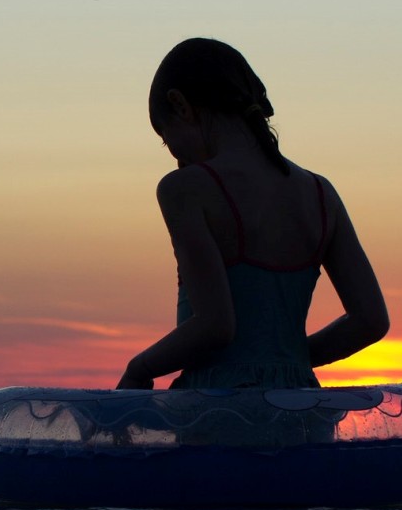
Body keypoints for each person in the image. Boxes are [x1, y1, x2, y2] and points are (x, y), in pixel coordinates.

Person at [118, 38, 388, 390]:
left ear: (180, 105)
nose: (175, 156)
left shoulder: (185, 189)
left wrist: (139, 368)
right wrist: (289, 359)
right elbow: (370, 321)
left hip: (218, 414)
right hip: (301, 407)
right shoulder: (322, 193)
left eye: (167, 139)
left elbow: (215, 325)